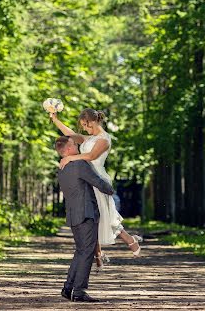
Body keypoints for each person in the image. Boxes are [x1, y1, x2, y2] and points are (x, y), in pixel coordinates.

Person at [50, 107, 142, 270]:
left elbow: (91, 156)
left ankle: (130, 240)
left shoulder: (104, 139)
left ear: (92, 122)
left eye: (85, 125)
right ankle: (98, 256)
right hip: (85, 179)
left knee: (104, 215)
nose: (84, 129)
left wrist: (70, 157)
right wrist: (56, 120)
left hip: (97, 179)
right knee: (91, 218)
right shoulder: (89, 138)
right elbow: (70, 135)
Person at [55, 135, 114, 303]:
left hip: (74, 214)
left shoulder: (62, 167)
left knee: (81, 251)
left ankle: (68, 288)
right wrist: (110, 189)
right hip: (86, 214)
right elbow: (96, 181)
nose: (77, 147)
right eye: (74, 144)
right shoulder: (78, 164)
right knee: (86, 252)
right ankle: (79, 291)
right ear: (67, 149)